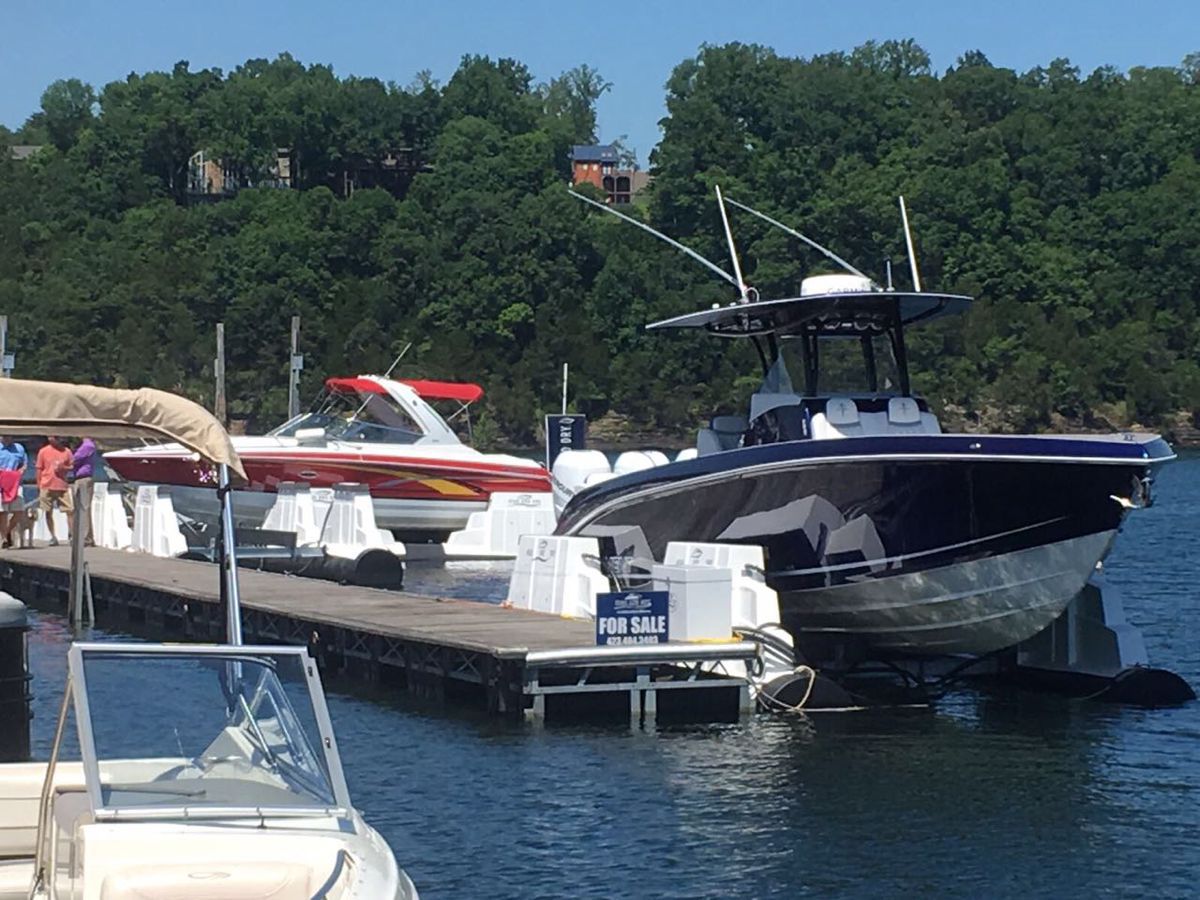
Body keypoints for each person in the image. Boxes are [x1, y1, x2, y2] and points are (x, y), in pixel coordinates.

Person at [35, 436, 74, 546]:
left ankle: (72, 535)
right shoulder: (43, 451)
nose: (53, 439)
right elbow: (39, 469)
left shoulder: (66, 451)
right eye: (51, 437)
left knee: (70, 511)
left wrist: (64, 468)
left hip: (62, 485)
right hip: (46, 485)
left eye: (56, 437)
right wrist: (39, 485)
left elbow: (72, 466)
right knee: (48, 511)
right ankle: (53, 536)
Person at [0, 435, 27, 549]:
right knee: (3, 512)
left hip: (15, 482)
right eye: (4, 436)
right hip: (1, 482)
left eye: (9, 436)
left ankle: (6, 532)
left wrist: (21, 470)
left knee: (19, 511)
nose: (6, 438)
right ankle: (4, 539)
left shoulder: (19, 448)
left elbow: (24, 463)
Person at [71, 437, 99, 547]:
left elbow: (74, 459)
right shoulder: (85, 445)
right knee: (80, 508)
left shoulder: (87, 445)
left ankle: (86, 538)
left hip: (84, 478)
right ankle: (83, 536)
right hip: (79, 478)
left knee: (84, 508)